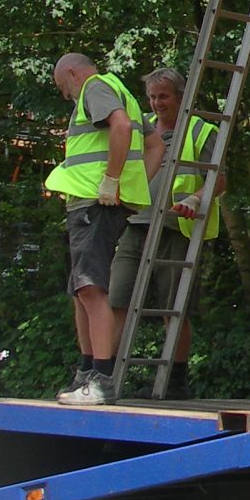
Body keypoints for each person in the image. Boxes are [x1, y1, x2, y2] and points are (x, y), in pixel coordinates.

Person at [110, 67, 223, 401]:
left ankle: (175, 381)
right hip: (135, 225)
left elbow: (221, 178)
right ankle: (103, 374)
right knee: (116, 298)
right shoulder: (141, 127)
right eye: (152, 97)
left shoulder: (201, 130)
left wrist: (195, 198)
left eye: (163, 96)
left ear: (180, 96)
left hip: (176, 228)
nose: (157, 103)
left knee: (172, 309)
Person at [46, 53, 150, 406]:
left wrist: (112, 181)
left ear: (73, 73)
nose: (66, 96)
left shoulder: (95, 87)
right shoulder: (120, 91)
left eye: (63, 87)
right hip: (96, 202)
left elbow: (120, 127)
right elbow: (155, 144)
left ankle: (101, 379)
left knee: (90, 287)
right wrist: (133, 186)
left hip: (94, 202)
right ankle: (87, 371)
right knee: (81, 289)